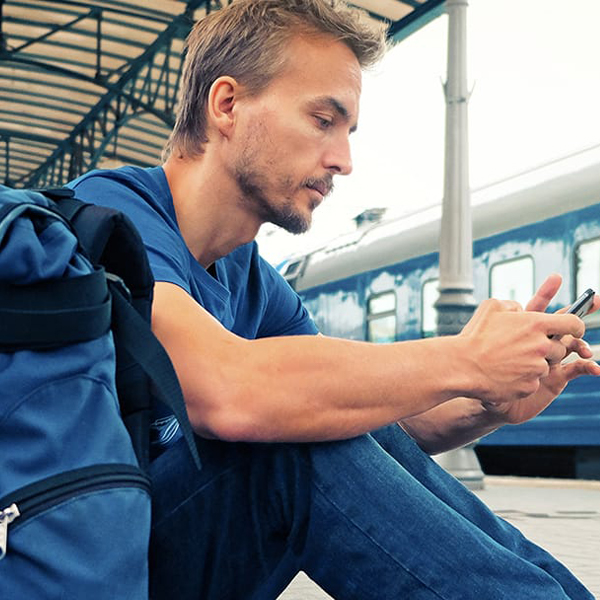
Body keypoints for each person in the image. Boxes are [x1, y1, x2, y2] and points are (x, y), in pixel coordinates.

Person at [69, 1, 600, 598]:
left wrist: (487, 401)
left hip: (155, 551)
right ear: (227, 105)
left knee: (317, 409)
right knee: (283, 444)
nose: (343, 160)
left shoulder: (251, 277)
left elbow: (370, 419)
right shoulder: (108, 224)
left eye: (348, 132)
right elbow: (226, 393)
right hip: (81, 564)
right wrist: (464, 358)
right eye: (324, 119)